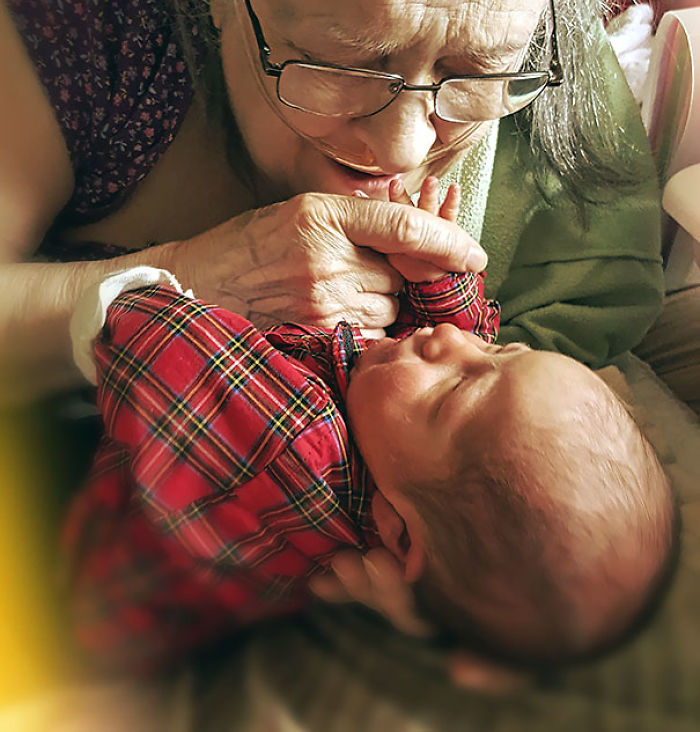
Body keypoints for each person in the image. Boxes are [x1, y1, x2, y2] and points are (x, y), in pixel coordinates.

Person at [0, 0, 674, 682]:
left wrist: (439, 598)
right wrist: (191, 274)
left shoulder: (540, 43)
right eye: (342, 60)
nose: (404, 138)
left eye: (470, 72)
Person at [62, 179, 676, 677]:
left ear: (397, 534)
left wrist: (155, 283)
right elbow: (471, 347)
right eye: (503, 355)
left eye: (457, 387)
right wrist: (435, 277)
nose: (455, 341)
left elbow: (147, 337)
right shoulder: (432, 498)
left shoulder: (298, 446)